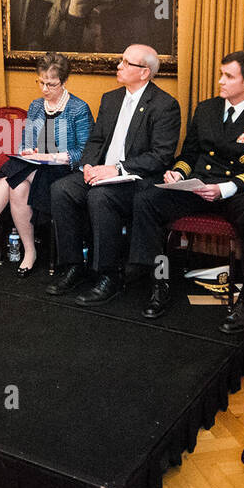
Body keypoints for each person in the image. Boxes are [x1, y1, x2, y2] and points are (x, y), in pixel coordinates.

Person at [127, 50, 244, 341]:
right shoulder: (206, 109)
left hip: (234, 191)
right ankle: (160, 280)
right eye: (221, 74)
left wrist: (225, 189)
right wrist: (178, 174)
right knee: (147, 199)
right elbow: (189, 154)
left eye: (228, 76)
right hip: (198, 186)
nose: (220, 81)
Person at [45, 43, 180, 305]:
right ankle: (73, 265)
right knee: (62, 189)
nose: (119, 66)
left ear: (144, 72)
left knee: (101, 197)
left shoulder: (164, 105)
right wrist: (87, 166)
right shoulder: (111, 99)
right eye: (121, 60)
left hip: (136, 180)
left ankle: (109, 275)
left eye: (127, 63)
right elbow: (96, 140)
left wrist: (116, 169)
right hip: (102, 172)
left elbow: (161, 156)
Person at [0, 51, 93, 275]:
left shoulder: (78, 108)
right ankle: (29, 251)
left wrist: (50, 157)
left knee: (14, 173)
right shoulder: (37, 106)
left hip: (64, 172)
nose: (45, 89)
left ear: (65, 82)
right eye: (41, 82)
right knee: (17, 186)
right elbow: (24, 144)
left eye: (51, 84)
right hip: (34, 168)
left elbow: (84, 153)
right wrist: (28, 151)